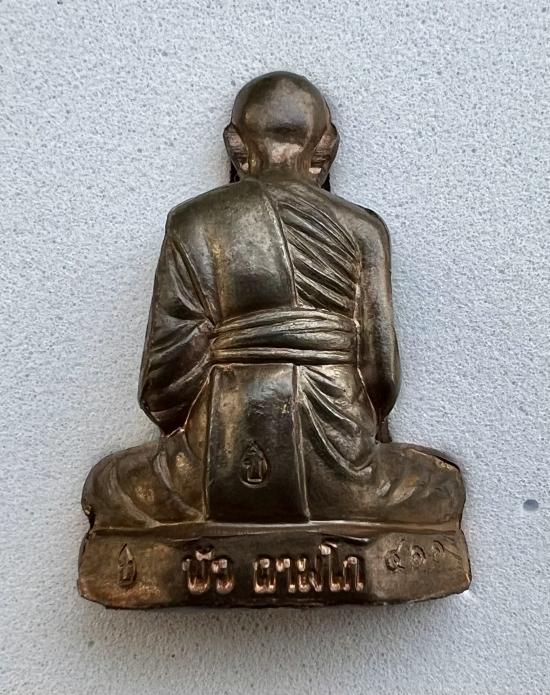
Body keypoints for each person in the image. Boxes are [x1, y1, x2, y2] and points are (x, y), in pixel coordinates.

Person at [82, 72, 464, 530]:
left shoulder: (192, 222)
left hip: (214, 462)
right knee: (439, 486)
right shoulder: (364, 230)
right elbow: (380, 376)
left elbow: (163, 386)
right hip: (341, 465)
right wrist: (360, 436)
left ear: (236, 147)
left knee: (111, 485)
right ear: (326, 148)